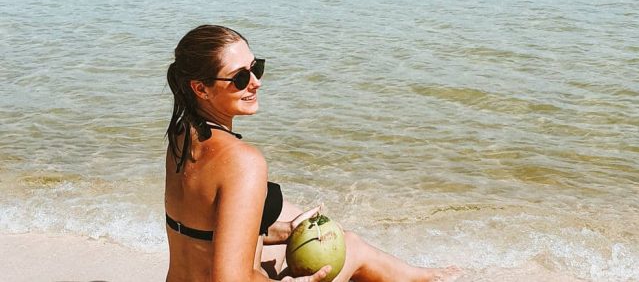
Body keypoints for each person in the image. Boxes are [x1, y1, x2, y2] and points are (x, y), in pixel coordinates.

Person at [164, 24, 462, 282]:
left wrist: (282, 231)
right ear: (200, 89)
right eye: (240, 78)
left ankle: (421, 276)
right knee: (352, 247)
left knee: (321, 240)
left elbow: (204, 232)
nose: (256, 82)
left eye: (257, 67)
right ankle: (426, 278)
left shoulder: (181, 140)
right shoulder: (243, 161)